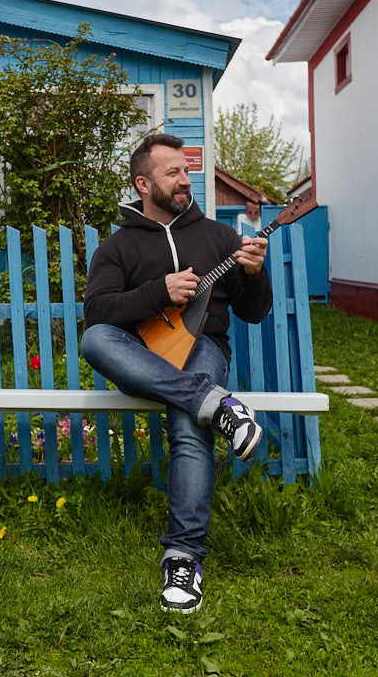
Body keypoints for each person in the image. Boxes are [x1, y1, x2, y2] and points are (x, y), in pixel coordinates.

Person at [81, 133, 272, 614]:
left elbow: (254, 313)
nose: (185, 179)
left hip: (204, 346)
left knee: (189, 425)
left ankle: (183, 558)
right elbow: (99, 311)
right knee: (95, 340)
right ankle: (216, 405)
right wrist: (158, 292)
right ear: (144, 183)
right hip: (141, 353)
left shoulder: (220, 238)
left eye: (187, 170)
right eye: (173, 172)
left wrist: (253, 275)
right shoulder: (118, 247)